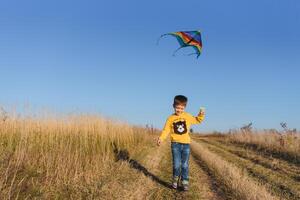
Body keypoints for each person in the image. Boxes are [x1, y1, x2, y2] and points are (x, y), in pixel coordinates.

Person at [156, 95, 205, 191]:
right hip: (175, 144)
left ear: (185, 107)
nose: (179, 110)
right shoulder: (170, 118)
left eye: (182, 108)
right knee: (176, 164)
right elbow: (166, 130)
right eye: (177, 107)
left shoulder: (187, 116)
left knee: (185, 165)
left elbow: (197, 120)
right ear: (173, 106)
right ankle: (175, 180)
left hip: (186, 144)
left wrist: (201, 114)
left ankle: (185, 182)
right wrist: (161, 138)